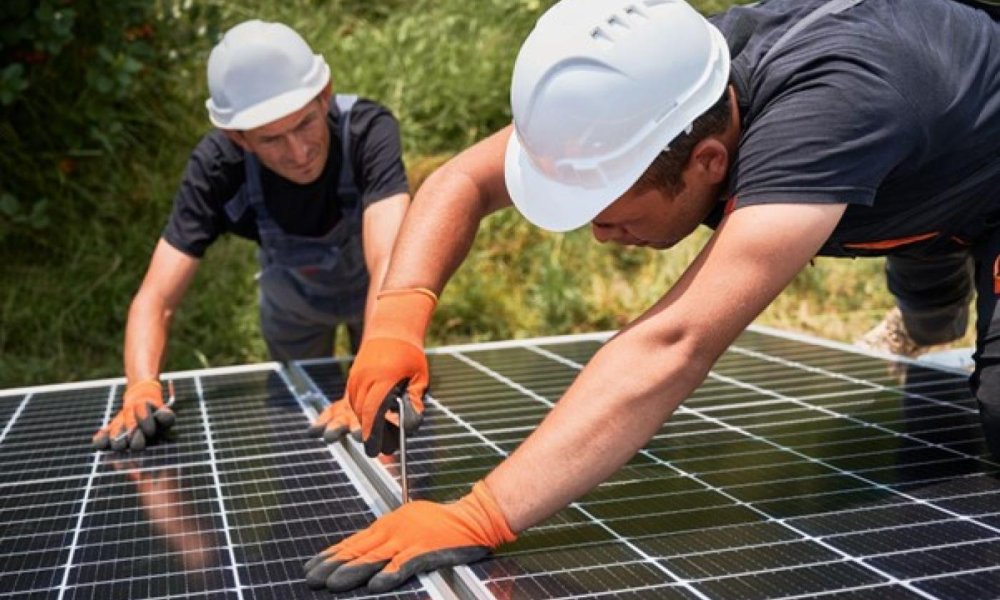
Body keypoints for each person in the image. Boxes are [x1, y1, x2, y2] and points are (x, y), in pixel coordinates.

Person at [298, 0, 1000, 592]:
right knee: (931, 297)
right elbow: (463, 181)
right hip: (922, 172)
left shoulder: (831, 117)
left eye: (610, 211)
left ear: (708, 163)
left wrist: (484, 512)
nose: (601, 236)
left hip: (983, 176)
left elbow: (676, 342)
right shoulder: (659, 87)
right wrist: (397, 318)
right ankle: (933, 311)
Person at [91, 20, 410, 452]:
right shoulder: (217, 170)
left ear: (325, 94)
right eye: (272, 139)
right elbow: (156, 299)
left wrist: (372, 380)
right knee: (302, 429)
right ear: (237, 137)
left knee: (389, 415)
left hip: (383, 295)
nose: (299, 153)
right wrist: (141, 385)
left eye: (305, 124)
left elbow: (392, 263)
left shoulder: (368, 133)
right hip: (292, 309)